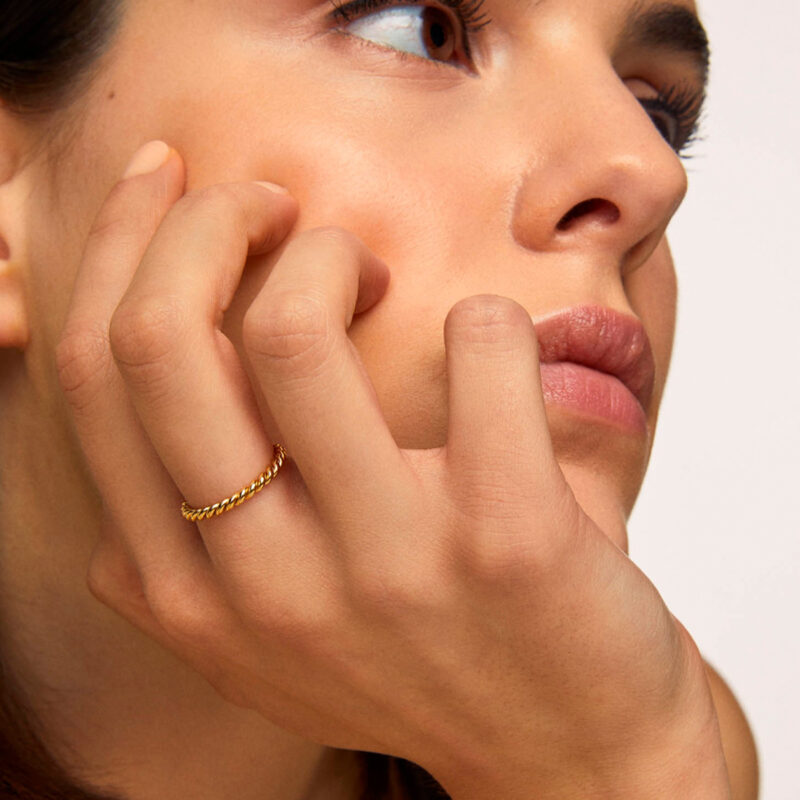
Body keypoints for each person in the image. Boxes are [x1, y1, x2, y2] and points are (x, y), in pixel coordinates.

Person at [0, 0, 759, 797]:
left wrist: (597, 771)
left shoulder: (643, 730)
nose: (651, 171)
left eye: (656, 112)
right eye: (426, 30)